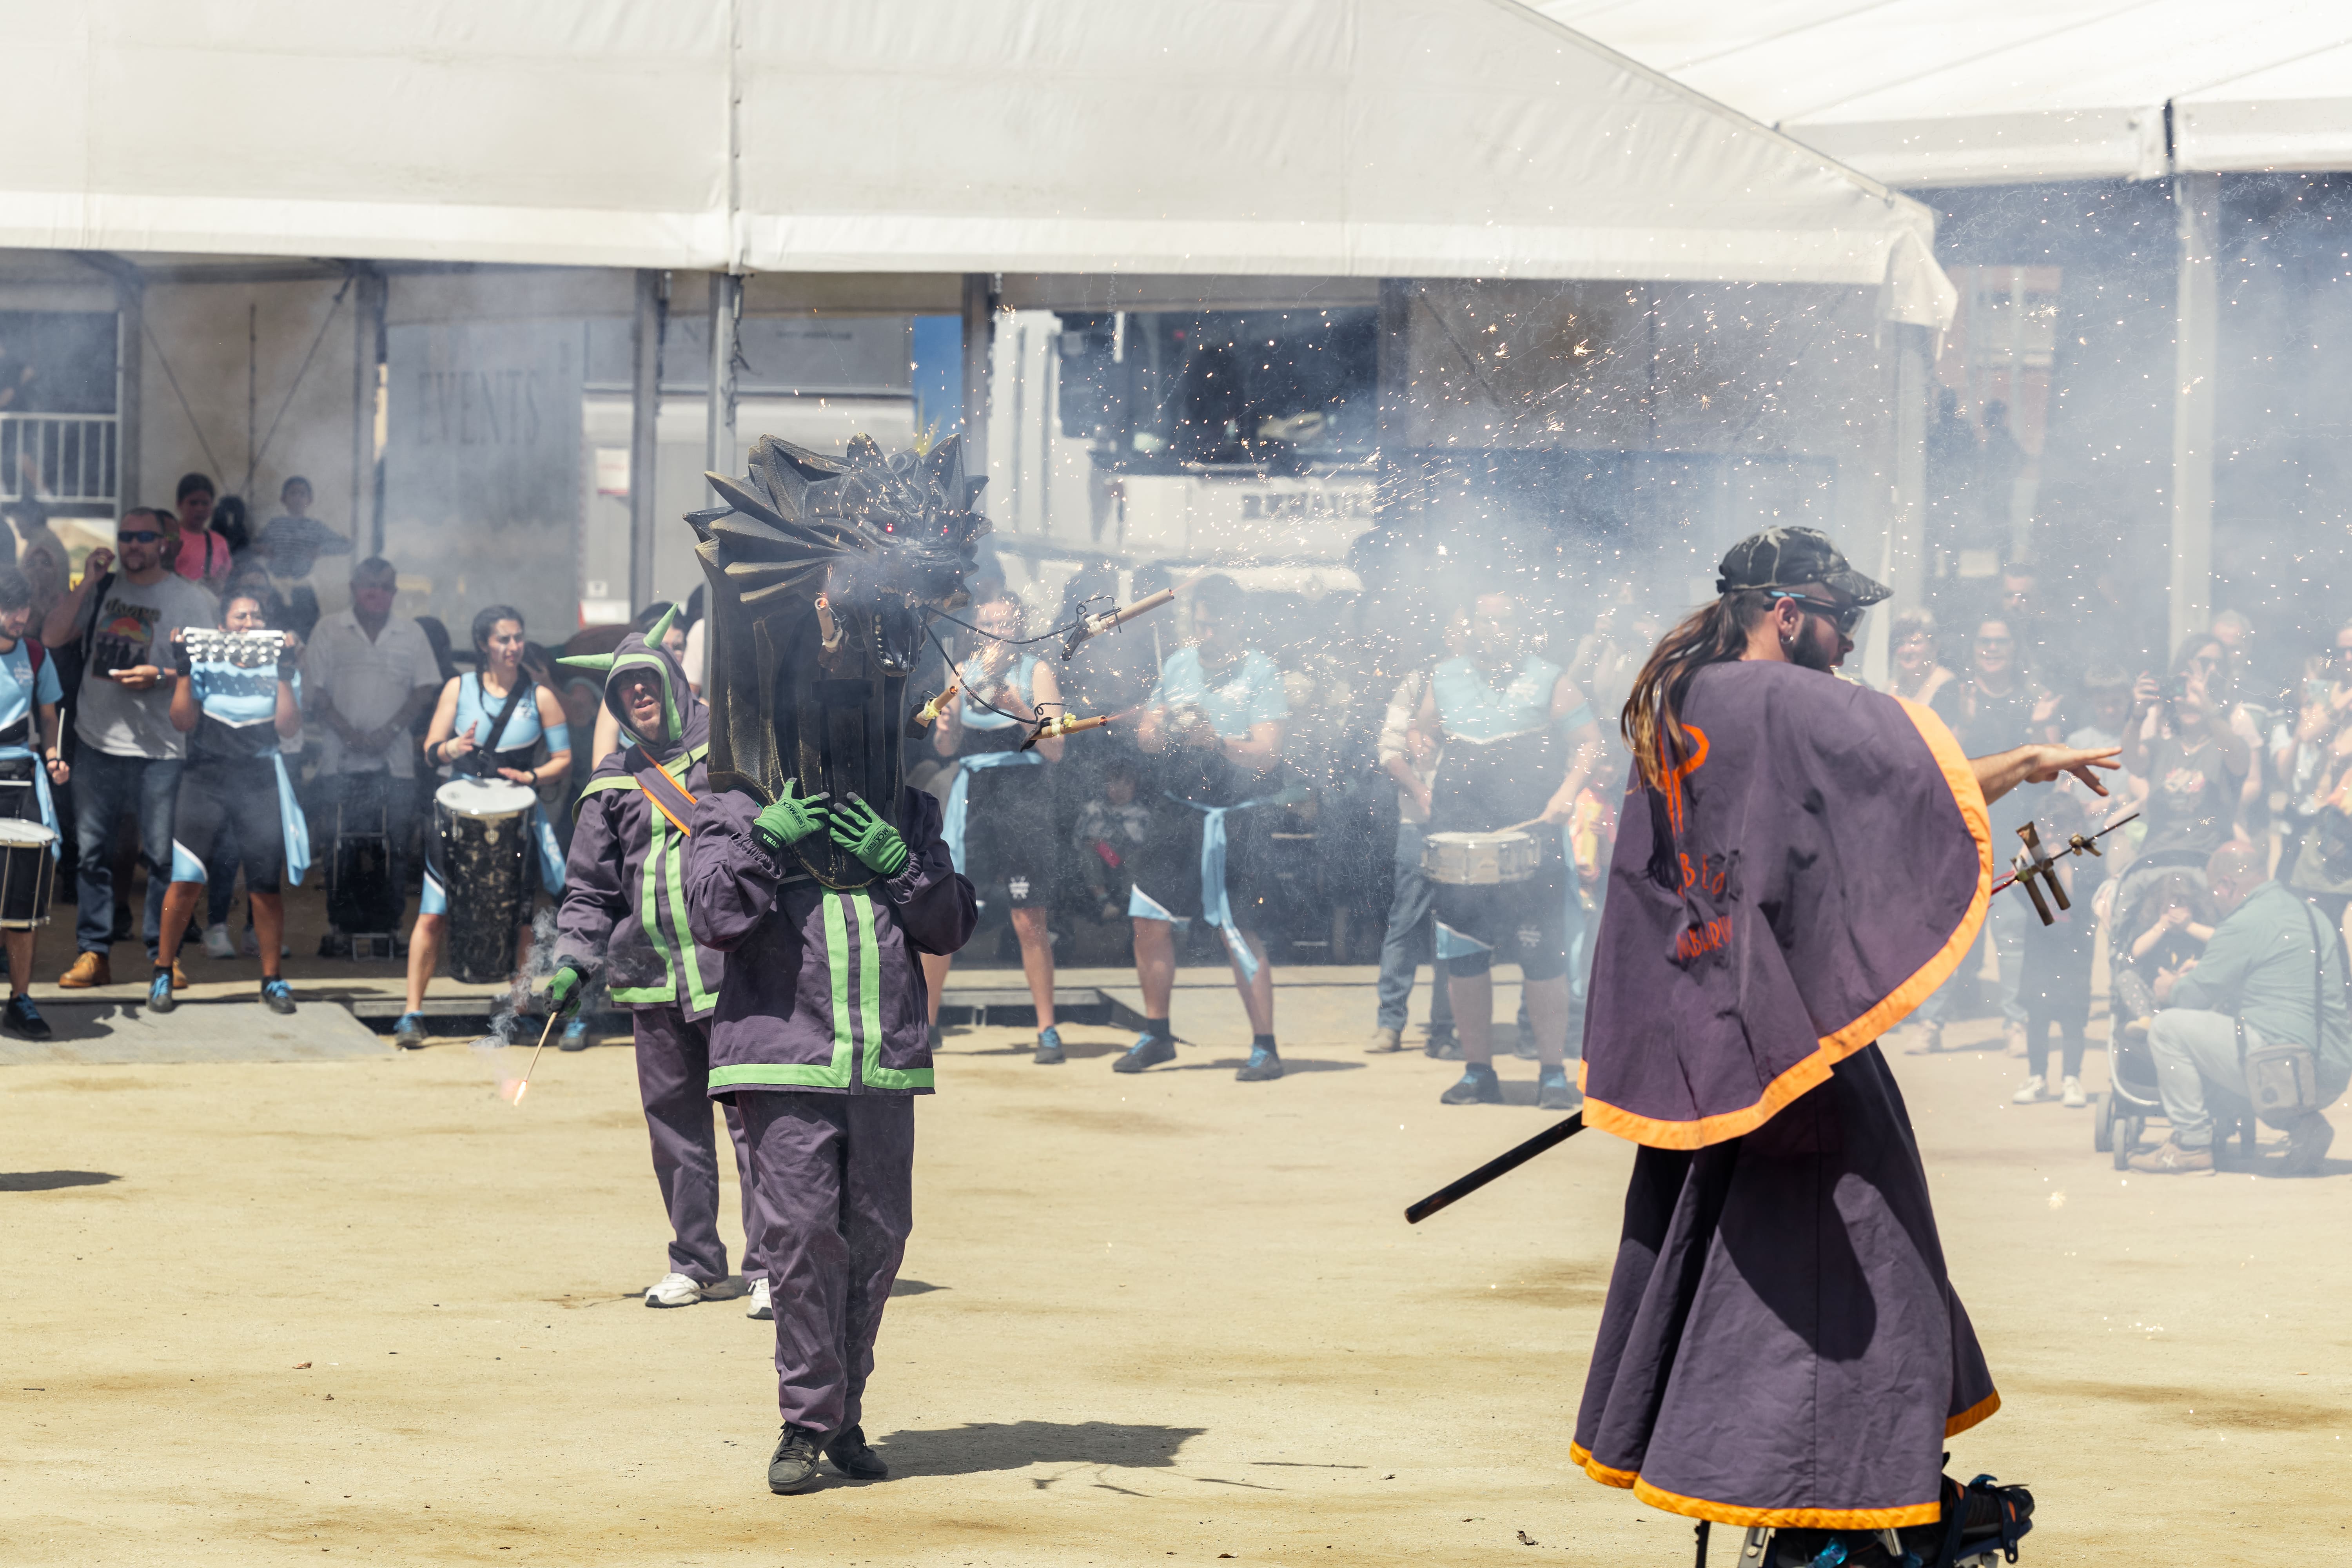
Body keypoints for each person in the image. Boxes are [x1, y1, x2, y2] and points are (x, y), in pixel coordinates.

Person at [1573, 526, 2099, 1552]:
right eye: (1840, 620)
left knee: (1748, 1267)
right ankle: (1841, 1528)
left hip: (1715, 1043)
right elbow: (1912, 789)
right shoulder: (1783, 698)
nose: (1851, 641)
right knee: (1869, 1274)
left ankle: (1837, 1510)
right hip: (1790, 1065)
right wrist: (2028, 762)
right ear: (1786, 613)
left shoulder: (1687, 697)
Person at [684, 743, 977, 1494]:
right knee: (805, 1238)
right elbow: (712, 914)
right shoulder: (731, 800)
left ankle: (844, 1415)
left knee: (879, 1240)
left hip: (884, 1060)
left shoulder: (908, 808)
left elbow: (949, 927)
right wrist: (764, 841)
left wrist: (904, 866)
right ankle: (807, 1420)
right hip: (781, 1059)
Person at [546, 609, 769, 1311]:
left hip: (731, 969)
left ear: (674, 681)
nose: (638, 697)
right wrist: (574, 956)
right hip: (649, 976)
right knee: (672, 1125)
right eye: (624, 692)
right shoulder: (612, 781)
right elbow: (589, 886)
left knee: (753, 1122)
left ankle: (771, 1269)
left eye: (647, 683)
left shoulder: (731, 751)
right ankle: (697, 1262)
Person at [1413, 590, 1602, 1110]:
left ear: (1522, 628)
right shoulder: (1444, 677)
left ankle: (1552, 1076)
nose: (1493, 630)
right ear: (1470, 626)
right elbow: (1422, 730)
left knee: (1543, 957)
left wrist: (1567, 793)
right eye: (1484, 622)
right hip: (1461, 838)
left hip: (1530, 837)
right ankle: (1478, 1073)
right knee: (1465, 956)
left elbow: (1588, 740)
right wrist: (1420, 752)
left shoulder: (1550, 678)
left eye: (1503, 622)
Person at [1113, 575, 1291, 1082]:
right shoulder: (1176, 666)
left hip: (1235, 819)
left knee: (1240, 929)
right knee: (1148, 921)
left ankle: (1265, 1045)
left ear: (1238, 621)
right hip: (1177, 813)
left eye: (1215, 625)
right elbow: (1148, 737)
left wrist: (1217, 742)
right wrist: (1155, 728)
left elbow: (1268, 754)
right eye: (1200, 623)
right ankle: (1157, 1034)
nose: (1205, 633)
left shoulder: (1261, 672)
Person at [40, 510, 218, 987]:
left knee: (161, 857)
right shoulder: (102, 588)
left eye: (143, 537)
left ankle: (164, 957)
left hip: (161, 747)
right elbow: (53, 635)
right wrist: (88, 583)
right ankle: (93, 954)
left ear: (165, 543)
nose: (131, 544)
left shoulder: (190, 599)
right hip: (98, 741)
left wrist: (160, 676)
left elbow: (207, 673)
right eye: (125, 536)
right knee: (92, 854)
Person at [395, 605, 571, 1048]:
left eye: (518, 638)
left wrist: (531, 777)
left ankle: (519, 1009)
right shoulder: (459, 688)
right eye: (503, 639)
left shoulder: (541, 696)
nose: (513, 647)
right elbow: (430, 751)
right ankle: (412, 1012)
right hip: (458, 816)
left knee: (522, 916)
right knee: (434, 912)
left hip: (517, 817)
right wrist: (453, 746)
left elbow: (564, 759)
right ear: (483, 645)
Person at [2131, 841, 2350, 1177]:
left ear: (2226, 885)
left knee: (2169, 1028)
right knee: (2245, 1030)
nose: (2213, 901)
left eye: (2213, 892)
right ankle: (2306, 1127)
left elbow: (2192, 999)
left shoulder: (2243, 922)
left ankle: (2191, 1146)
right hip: (2332, 1069)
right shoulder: (2312, 913)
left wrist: (2170, 987)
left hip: (2286, 1068)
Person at [147, 591, 305, 1014]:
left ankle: (272, 980)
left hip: (259, 780)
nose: (248, 622)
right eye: (240, 615)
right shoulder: (205, 662)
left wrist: (287, 673)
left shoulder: (278, 664)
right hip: (206, 777)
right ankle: (163, 968)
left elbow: (289, 729)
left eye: (256, 616)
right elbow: (182, 721)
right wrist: (183, 667)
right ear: (222, 625)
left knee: (265, 886)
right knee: (185, 881)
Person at [925, 592, 1067, 1063]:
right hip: (974, 795)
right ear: (975, 629)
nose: (996, 632)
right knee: (947, 909)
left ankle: (1047, 1029)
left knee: (1030, 917)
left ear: (1019, 626)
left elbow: (1056, 749)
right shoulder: (962, 671)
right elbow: (947, 748)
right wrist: (947, 727)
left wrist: (1019, 706)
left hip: (1024, 794)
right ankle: (926, 1024)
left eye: (1005, 624)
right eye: (988, 623)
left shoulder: (1037, 670)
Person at [1917, 617, 2058, 1054]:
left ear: (2015, 648)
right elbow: (1936, 758)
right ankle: (1932, 1024)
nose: (1992, 648)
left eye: (2001, 641)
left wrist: (2039, 725)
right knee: (1950, 929)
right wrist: (1966, 719)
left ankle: (2016, 1024)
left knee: (2014, 930)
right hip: (1960, 828)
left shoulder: (2033, 698)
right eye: (1984, 641)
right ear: (1973, 646)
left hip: (2021, 828)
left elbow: (2050, 769)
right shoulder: (1954, 695)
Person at [302, 557, 444, 956]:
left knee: (396, 849)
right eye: (369, 586)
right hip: (338, 762)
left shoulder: (411, 634)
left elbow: (424, 690)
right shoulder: (328, 629)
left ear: (394, 593)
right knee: (338, 848)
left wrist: (390, 732)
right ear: (353, 588)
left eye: (385, 587)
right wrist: (348, 735)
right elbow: (314, 692)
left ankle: (389, 931)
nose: (377, 593)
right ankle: (339, 928)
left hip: (395, 764)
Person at [1366, 635, 1457, 1057]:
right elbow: (1388, 749)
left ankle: (1445, 1030)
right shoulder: (1417, 683)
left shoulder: (1488, 689)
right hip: (1417, 826)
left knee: (1455, 929)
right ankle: (1390, 1024)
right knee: (1404, 925)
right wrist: (1420, 789)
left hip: (1465, 827)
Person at [0, 568, 67, 1037]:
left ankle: (20, 999)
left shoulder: (37, 654)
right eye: (9, 608)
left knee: (22, 900)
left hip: (21, 781)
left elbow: (48, 717)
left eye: (23, 608)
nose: (18, 617)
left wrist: (54, 755)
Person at [2279, 618, 2352, 960]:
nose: (2349, 656)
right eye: (2343, 650)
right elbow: (2307, 734)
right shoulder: (2326, 690)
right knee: (2318, 918)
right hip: (2323, 820)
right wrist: (2346, 698)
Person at [250, 476, 349, 643]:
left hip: (303, 589)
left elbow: (346, 545)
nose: (297, 498)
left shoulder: (315, 527)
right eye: (293, 493)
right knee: (275, 632)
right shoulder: (275, 525)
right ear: (284, 499)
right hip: (276, 588)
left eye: (302, 494)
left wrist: (321, 550)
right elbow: (254, 546)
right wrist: (263, 549)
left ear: (310, 500)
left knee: (305, 635)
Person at [167, 472, 232, 592]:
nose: (200, 509)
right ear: (179, 504)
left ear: (212, 505)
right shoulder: (170, 536)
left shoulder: (219, 542)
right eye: (193, 503)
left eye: (205, 503)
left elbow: (226, 581)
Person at [1886, 606, 1955, 708]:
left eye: (1915, 643)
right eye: (1901, 643)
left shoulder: (1947, 686)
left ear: (1934, 647)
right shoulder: (1890, 688)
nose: (1907, 650)